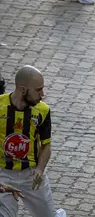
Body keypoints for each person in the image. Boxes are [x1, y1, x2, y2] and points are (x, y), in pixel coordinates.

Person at [0, 65, 66, 217]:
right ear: (22, 89)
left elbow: (46, 145)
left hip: (31, 175)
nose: (42, 94)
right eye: (38, 90)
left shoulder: (42, 110)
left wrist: (40, 169)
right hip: (3, 174)